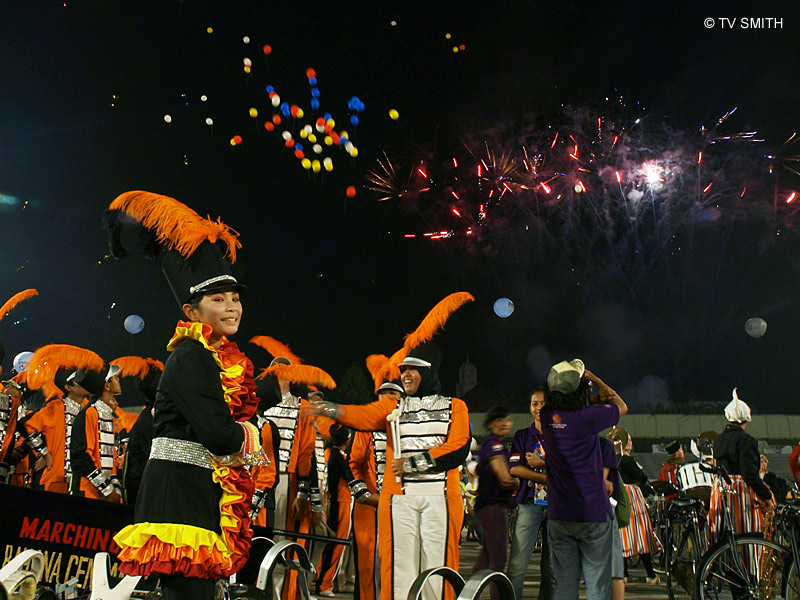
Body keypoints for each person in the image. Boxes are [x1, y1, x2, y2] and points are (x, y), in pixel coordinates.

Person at [107, 191, 264, 600]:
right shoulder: (192, 356)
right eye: (218, 299)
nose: (231, 307)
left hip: (191, 490)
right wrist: (254, 437)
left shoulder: (205, 355)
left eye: (234, 298)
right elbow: (218, 434)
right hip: (179, 495)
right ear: (192, 313)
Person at [539, 358, 627, 600]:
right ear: (581, 390)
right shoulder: (589, 416)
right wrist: (593, 378)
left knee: (564, 589)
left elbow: (568, 403)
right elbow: (620, 404)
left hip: (559, 514)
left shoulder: (547, 416)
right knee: (597, 587)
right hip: (592, 513)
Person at [349, 380, 399, 600]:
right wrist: (366, 496)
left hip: (400, 505)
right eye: (383, 393)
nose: (387, 397)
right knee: (367, 562)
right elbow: (354, 463)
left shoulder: (407, 426)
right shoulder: (366, 426)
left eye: (392, 393)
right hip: (369, 506)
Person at [709, 388, 775, 543]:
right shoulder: (746, 440)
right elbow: (749, 474)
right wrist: (766, 496)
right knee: (746, 538)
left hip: (719, 490)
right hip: (738, 493)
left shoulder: (719, 440)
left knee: (721, 538)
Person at [507, 387, 555, 600]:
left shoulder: (561, 435)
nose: (539, 408)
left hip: (557, 506)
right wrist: (550, 477)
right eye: (535, 403)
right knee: (517, 565)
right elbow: (514, 469)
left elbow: (570, 469)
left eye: (543, 403)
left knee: (552, 568)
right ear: (529, 408)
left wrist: (541, 464)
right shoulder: (523, 436)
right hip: (529, 503)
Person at [471, 405, 517, 600]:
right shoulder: (494, 444)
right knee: (498, 559)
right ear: (490, 424)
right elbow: (505, 479)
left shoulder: (492, 443)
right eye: (499, 421)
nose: (504, 424)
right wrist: (522, 482)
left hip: (488, 506)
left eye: (507, 420)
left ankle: (467, 594)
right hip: (493, 506)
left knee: (487, 557)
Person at [608, 428, 660, 584]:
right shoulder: (627, 460)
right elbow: (641, 478)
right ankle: (650, 574)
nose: (630, 443)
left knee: (623, 535)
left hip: (618, 496)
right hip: (632, 497)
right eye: (628, 440)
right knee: (641, 534)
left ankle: (624, 574)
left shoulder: (611, 459)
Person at [69, 363, 124, 501]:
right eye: (115, 378)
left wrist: (115, 488)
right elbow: (81, 456)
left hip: (102, 493)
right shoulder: (88, 413)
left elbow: (111, 459)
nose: (119, 380)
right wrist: (108, 490)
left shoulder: (107, 414)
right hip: (86, 492)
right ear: (107, 385)